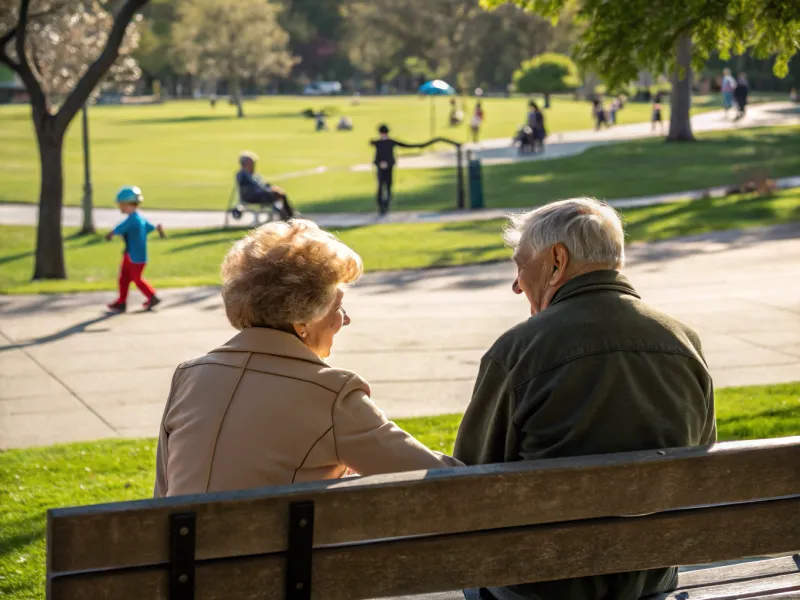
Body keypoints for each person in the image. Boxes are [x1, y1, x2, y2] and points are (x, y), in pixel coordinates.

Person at [454, 198, 715, 600]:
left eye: (520, 264)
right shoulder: (683, 341)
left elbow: (468, 484)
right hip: (649, 582)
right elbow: (702, 460)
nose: (516, 283)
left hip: (542, 588)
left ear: (557, 260)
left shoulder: (518, 352)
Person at [154, 220, 461, 497]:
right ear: (303, 321)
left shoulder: (190, 377)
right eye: (337, 307)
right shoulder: (330, 393)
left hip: (178, 557)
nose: (346, 319)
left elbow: (163, 495)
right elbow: (442, 479)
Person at [105, 186, 165, 313]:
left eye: (121, 204)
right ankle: (121, 302)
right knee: (124, 278)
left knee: (136, 279)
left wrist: (111, 234)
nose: (120, 207)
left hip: (135, 257)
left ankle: (152, 296)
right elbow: (151, 228)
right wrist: (158, 229)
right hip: (132, 255)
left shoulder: (133, 219)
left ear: (128, 204)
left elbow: (120, 228)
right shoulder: (139, 219)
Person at [369, 124, 423, 215]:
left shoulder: (390, 142)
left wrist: (418, 146)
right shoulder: (378, 143)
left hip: (389, 167)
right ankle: (381, 206)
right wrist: (380, 164)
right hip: (380, 168)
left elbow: (404, 145)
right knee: (381, 186)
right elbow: (377, 156)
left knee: (389, 186)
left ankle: (386, 206)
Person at [236, 151, 295, 220]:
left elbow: (264, 184)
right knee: (277, 194)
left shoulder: (254, 175)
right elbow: (254, 188)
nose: (254, 165)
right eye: (252, 163)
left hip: (260, 195)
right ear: (246, 163)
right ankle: (288, 216)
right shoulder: (243, 175)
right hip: (252, 197)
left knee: (280, 193)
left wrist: (271, 188)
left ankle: (289, 215)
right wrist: (269, 190)